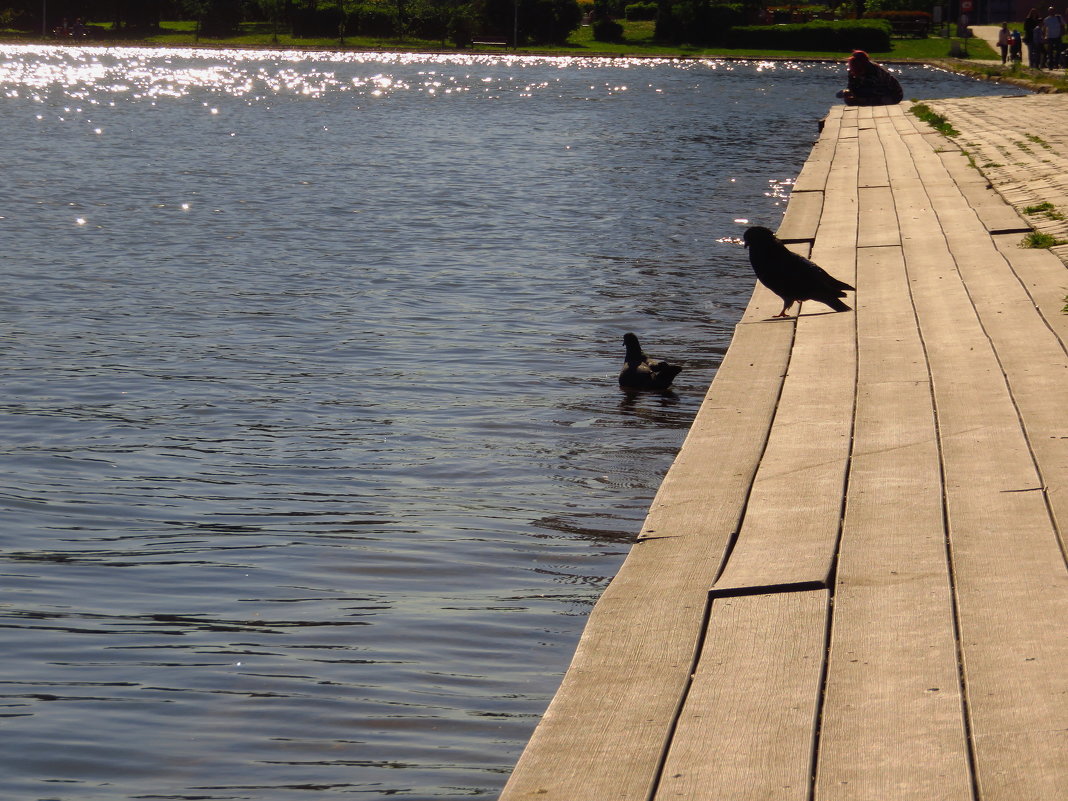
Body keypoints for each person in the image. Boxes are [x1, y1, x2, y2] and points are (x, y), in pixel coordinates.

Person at [836, 50, 903, 106]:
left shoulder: (874, 70)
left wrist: (859, 96)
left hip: (893, 95)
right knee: (849, 100)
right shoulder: (852, 71)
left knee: (869, 99)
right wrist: (846, 92)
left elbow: (874, 89)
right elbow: (851, 87)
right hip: (872, 94)